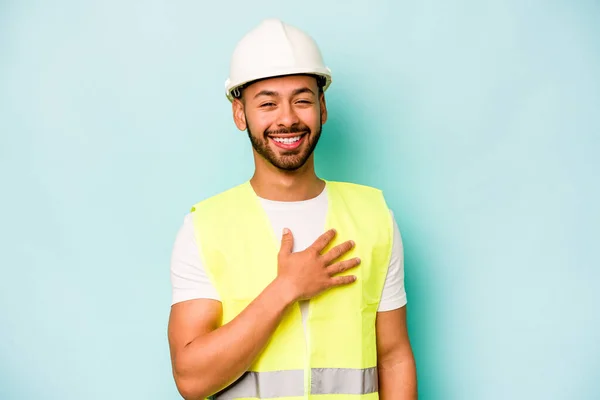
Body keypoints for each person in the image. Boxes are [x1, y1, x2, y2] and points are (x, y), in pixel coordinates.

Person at [167, 18, 418, 400]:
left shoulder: (374, 217)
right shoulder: (205, 228)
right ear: (240, 114)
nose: (287, 118)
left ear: (322, 107)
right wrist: (286, 289)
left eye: (301, 100)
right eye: (267, 103)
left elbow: (394, 356)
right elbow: (192, 380)